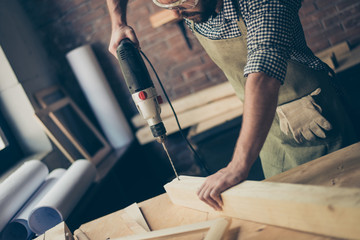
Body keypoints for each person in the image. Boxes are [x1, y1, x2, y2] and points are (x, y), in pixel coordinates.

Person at [106, 0, 357, 211]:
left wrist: (237, 166)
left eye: (182, 1)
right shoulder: (192, 5)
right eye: (166, 4)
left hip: (314, 120)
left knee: (336, 209)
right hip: (265, 129)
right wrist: (118, 22)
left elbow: (263, 74)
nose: (176, 12)